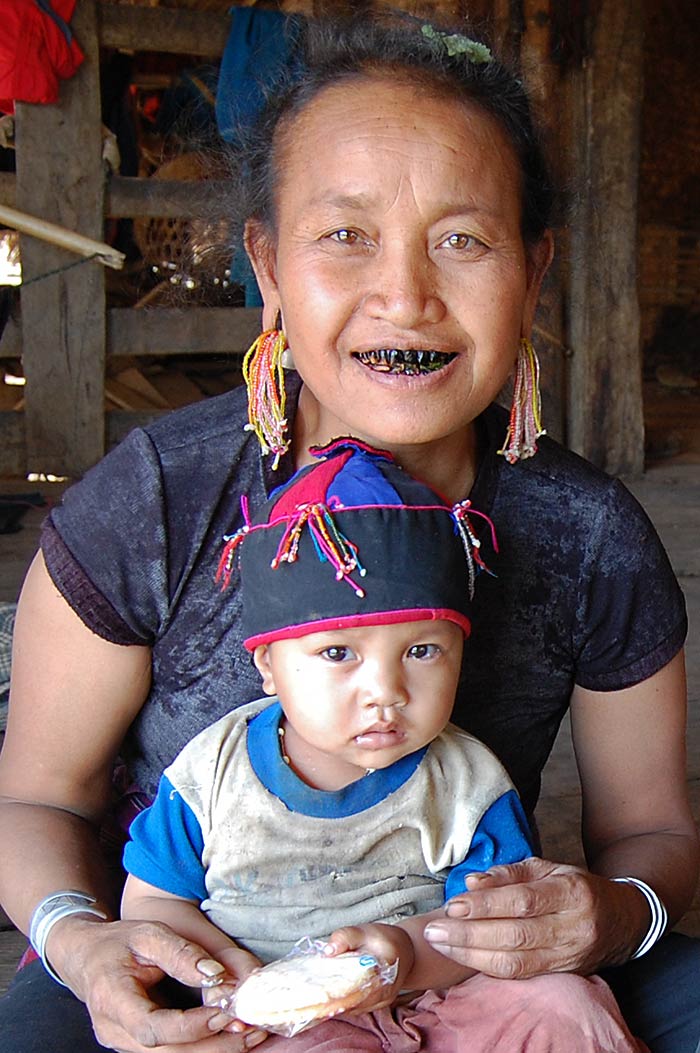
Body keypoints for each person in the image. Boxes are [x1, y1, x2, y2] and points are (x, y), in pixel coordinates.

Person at [0, 9, 697, 1053]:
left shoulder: (588, 533)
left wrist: (612, 913)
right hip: (193, 957)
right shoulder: (155, 499)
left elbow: (652, 833)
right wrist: (85, 943)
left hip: (451, 960)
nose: (406, 295)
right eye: (345, 236)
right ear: (270, 268)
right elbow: (35, 800)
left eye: (463, 240)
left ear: (535, 272)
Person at [120, 437, 644, 1052]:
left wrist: (404, 956)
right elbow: (153, 904)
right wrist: (222, 977)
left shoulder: (468, 783)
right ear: (268, 665)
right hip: (283, 1026)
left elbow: (490, 931)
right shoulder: (212, 773)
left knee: (564, 1002)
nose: (385, 692)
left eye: (423, 651)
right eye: (338, 653)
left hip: (440, 1001)